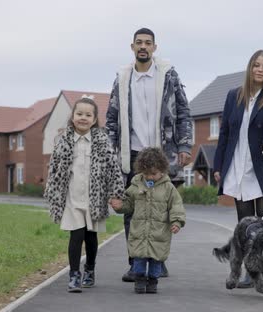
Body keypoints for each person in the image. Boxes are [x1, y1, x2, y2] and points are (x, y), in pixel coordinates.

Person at [106, 27, 193, 282]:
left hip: (162, 153)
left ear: (154, 47)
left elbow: (183, 112)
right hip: (131, 154)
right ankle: (135, 264)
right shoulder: (122, 78)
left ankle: (157, 259)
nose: (143, 46)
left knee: (161, 210)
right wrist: (110, 153)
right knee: (132, 210)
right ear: (132, 47)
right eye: (139, 43)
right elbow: (111, 119)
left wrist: (185, 146)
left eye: (148, 43)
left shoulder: (169, 75)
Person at [212, 50, 263, 287]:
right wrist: (219, 165)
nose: (259, 69)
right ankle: (252, 270)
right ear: (250, 68)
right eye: (256, 65)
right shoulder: (233, 96)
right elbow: (225, 132)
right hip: (238, 164)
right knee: (247, 224)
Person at [44, 95, 124, 293]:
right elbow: (54, 170)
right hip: (72, 198)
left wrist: (115, 193)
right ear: (72, 116)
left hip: (94, 199)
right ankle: (74, 274)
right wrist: (52, 192)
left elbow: (113, 170)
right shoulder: (63, 141)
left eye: (88, 115)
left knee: (90, 237)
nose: (83, 118)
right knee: (76, 235)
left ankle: (89, 269)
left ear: (95, 119)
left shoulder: (102, 142)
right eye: (79, 113)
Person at [111, 147, 186, 294]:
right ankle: (139, 280)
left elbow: (176, 205)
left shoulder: (168, 188)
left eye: (154, 174)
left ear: (163, 170)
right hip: (139, 232)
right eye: (146, 174)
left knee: (156, 261)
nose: (150, 177)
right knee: (138, 259)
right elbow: (128, 205)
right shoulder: (135, 186)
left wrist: (177, 222)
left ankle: (153, 282)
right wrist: (119, 206)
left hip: (159, 233)